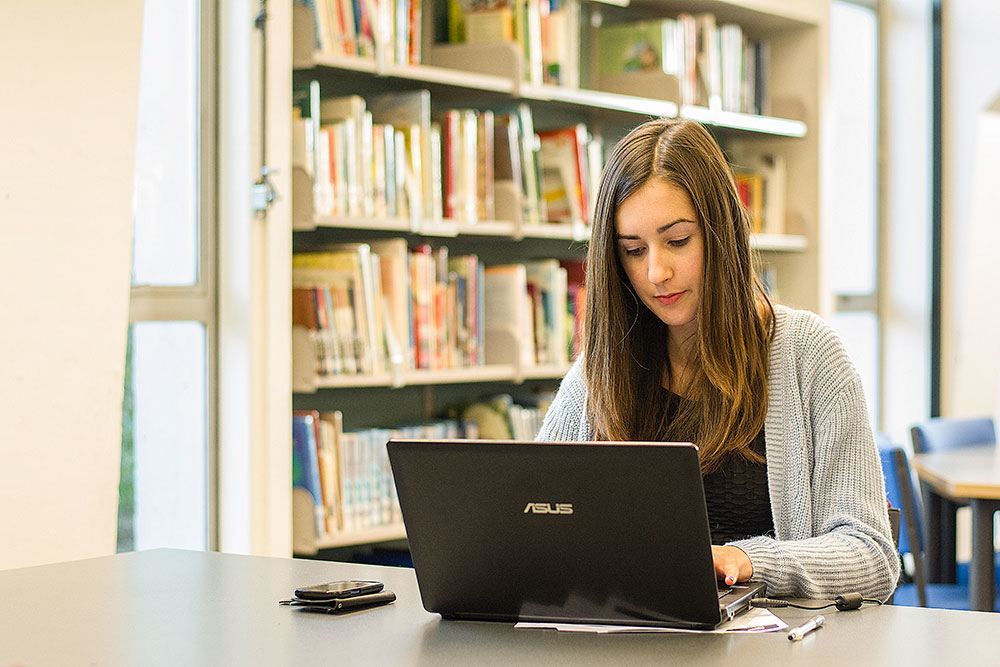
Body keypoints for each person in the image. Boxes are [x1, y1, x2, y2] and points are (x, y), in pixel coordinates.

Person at [536, 118, 899, 601]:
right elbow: (533, 519)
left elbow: (871, 554)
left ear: (720, 233)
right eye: (632, 250)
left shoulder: (810, 357)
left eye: (678, 241)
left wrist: (746, 560)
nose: (656, 272)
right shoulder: (598, 374)